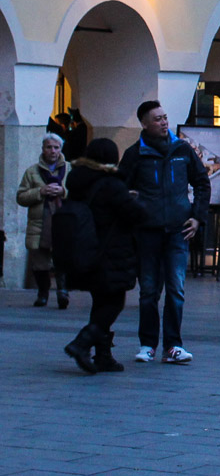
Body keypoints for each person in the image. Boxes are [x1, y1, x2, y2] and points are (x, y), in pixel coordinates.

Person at [119, 102, 209, 364]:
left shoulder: (182, 149)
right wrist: (131, 204)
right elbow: (118, 188)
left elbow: (202, 182)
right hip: (147, 232)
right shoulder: (135, 154)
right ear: (145, 124)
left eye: (165, 117)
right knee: (148, 290)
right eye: (157, 119)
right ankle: (147, 344)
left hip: (178, 230)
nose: (163, 122)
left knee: (176, 289)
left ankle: (173, 345)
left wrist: (197, 217)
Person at [61, 138, 145, 374]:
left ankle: (103, 355)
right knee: (114, 302)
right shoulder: (110, 184)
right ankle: (82, 342)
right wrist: (135, 201)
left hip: (86, 249)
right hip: (111, 251)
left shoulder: (79, 180)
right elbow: (133, 214)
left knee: (101, 301)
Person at [17, 132, 70, 308]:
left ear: (61, 149)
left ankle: (63, 291)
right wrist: (40, 192)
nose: (53, 151)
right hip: (39, 223)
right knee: (40, 262)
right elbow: (21, 197)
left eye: (56, 147)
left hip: (62, 221)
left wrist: (63, 192)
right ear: (43, 149)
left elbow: (79, 193)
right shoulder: (32, 172)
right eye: (49, 147)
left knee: (62, 258)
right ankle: (43, 292)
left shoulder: (69, 169)